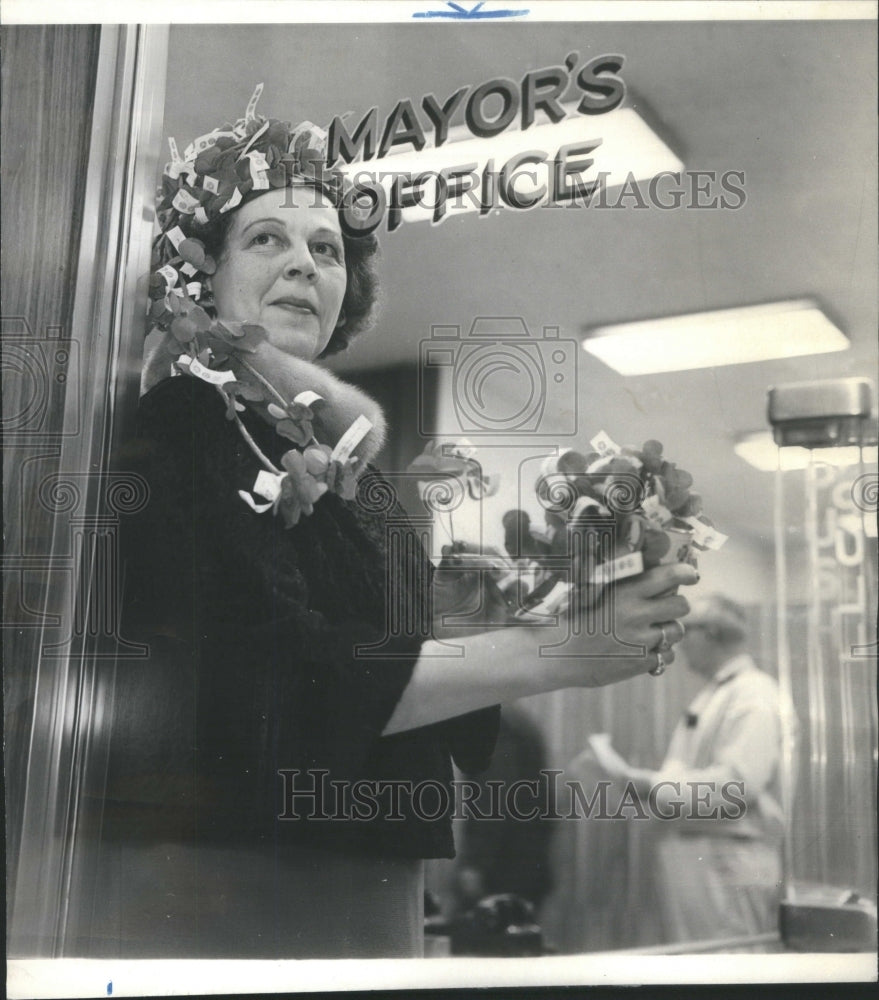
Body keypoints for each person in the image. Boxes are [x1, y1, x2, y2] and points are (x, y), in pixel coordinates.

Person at [98, 86, 697, 959]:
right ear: (201, 271)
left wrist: (514, 617)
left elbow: (389, 670)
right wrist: (557, 654)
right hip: (232, 871)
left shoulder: (358, 474)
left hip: (374, 865)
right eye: (267, 238)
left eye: (326, 248)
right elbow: (257, 680)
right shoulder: (185, 421)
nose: (305, 265)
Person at [584, 594, 785, 947]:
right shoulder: (718, 694)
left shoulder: (753, 694)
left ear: (710, 633)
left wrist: (645, 783)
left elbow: (735, 789)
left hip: (727, 860)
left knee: (732, 970)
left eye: (684, 630)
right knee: (704, 967)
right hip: (703, 858)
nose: (676, 640)